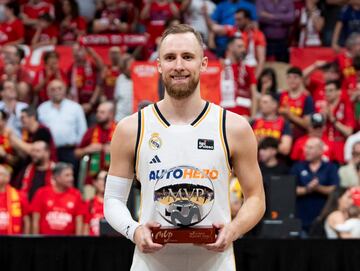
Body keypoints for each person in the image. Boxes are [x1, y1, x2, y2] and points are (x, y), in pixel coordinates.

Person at [104, 24, 265, 271]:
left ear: (203, 63)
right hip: (151, 264)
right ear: (159, 65)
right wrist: (134, 231)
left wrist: (233, 230)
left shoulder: (233, 127)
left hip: (215, 263)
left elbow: (255, 198)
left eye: (188, 57)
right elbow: (113, 200)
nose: (179, 65)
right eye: (170, 58)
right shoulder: (131, 128)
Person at [291, 137, 339, 233]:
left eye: (310, 148)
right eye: (306, 147)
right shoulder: (298, 166)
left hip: (323, 217)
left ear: (321, 150)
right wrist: (307, 189)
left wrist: (318, 188)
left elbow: (335, 190)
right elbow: (290, 190)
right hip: (301, 217)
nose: (306, 150)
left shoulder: (330, 167)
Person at [31, 162, 84, 235]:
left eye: (72, 175)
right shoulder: (42, 193)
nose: (71, 178)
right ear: (56, 177)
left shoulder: (76, 194)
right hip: (44, 242)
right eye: (67, 175)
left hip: (68, 243)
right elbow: (35, 220)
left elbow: (79, 221)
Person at [0, 164, 30, 235]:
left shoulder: (19, 195)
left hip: (13, 240)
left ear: (7, 177)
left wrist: (26, 240)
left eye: (0, 174)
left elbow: (26, 220)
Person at [83, 170, 106, 236]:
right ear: (95, 182)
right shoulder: (89, 204)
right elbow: (85, 229)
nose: (104, 182)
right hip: (93, 244)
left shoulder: (115, 205)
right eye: (101, 179)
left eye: (106, 179)